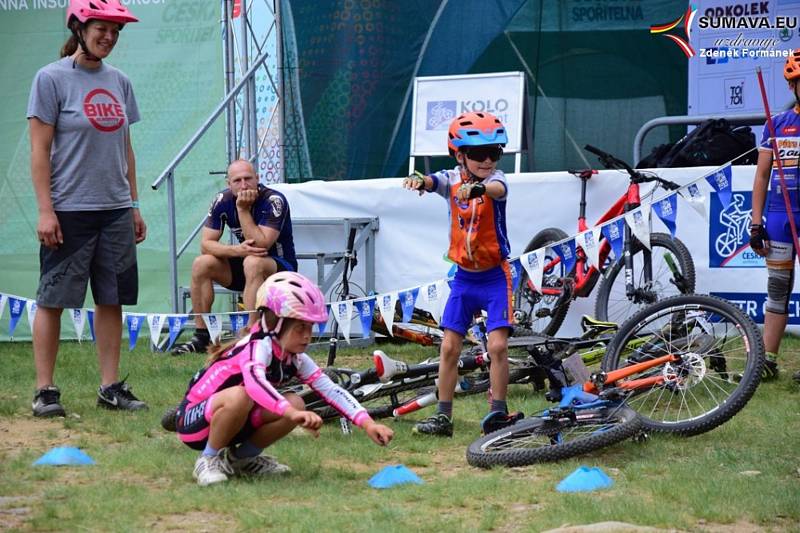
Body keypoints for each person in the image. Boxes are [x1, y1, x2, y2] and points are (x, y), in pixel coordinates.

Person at [27, 0, 147, 417]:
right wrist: (46, 210)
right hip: (69, 210)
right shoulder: (50, 79)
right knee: (52, 300)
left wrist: (133, 204)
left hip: (114, 209)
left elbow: (125, 148)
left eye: (116, 31)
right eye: (102, 28)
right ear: (79, 27)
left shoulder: (121, 82)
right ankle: (45, 391)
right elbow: (39, 151)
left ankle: (110, 387)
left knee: (112, 299)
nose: (109, 37)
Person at [175, 271, 394, 486]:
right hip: (194, 423)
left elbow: (330, 389)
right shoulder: (256, 347)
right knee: (241, 396)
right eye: (301, 327)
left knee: (296, 402)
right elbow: (255, 385)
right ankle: (208, 459)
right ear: (276, 324)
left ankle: (241, 460)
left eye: (310, 327)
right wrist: (291, 413)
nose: (308, 335)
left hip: (236, 420)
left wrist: (367, 424)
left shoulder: (294, 357)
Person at [402, 111, 521, 436]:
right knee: (449, 348)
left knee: (497, 346)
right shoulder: (451, 179)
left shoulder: (498, 180)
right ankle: (443, 417)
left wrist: (480, 189)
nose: (487, 160)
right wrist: (419, 182)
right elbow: (434, 182)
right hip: (464, 279)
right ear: (459, 155)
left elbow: (497, 187)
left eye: (494, 153)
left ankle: (498, 411)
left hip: (496, 277)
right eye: (478, 154)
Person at [172, 159, 298, 355]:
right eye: (237, 180)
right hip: (245, 265)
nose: (244, 184)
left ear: (258, 178)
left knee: (253, 261)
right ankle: (202, 336)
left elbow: (260, 245)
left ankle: (252, 332)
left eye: (248, 178)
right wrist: (236, 251)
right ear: (228, 184)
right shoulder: (222, 200)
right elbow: (206, 244)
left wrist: (242, 210)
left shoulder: (274, 200)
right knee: (201, 263)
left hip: (279, 268)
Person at [749, 48, 800, 383]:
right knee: (778, 290)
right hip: (781, 218)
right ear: (793, 86)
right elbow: (762, 176)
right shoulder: (777, 124)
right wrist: (756, 224)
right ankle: (767, 360)